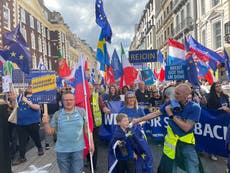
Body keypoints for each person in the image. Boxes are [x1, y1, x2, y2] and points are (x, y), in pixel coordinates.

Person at [133, 83, 202, 173]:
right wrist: (138, 120)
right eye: (175, 92)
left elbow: (186, 128)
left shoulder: (195, 107)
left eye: (178, 93)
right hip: (171, 143)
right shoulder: (171, 103)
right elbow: (155, 113)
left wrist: (171, 114)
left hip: (186, 143)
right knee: (169, 168)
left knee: (192, 168)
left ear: (186, 95)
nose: (174, 95)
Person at [42, 92, 94, 173]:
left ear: (74, 100)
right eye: (66, 100)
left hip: (78, 149)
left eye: (71, 100)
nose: (68, 102)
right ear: (62, 101)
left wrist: (91, 143)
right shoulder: (57, 114)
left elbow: (87, 130)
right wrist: (45, 123)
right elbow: (50, 132)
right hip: (62, 151)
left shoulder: (82, 112)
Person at [12, 85, 44, 165]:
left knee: (35, 137)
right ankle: (22, 157)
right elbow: (14, 107)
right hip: (21, 123)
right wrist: (13, 100)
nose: (29, 87)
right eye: (28, 86)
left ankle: (39, 148)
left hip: (33, 122)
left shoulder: (37, 96)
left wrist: (27, 101)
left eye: (31, 86)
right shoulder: (20, 96)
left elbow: (37, 107)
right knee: (22, 140)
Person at [207, 82, 230, 161]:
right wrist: (220, 109)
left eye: (220, 86)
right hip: (215, 119)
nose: (219, 87)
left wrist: (227, 109)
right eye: (217, 86)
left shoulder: (225, 96)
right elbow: (210, 109)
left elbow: (228, 106)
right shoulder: (211, 97)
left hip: (225, 119)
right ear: (214, 88)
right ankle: (213, 153)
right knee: (215, 136)